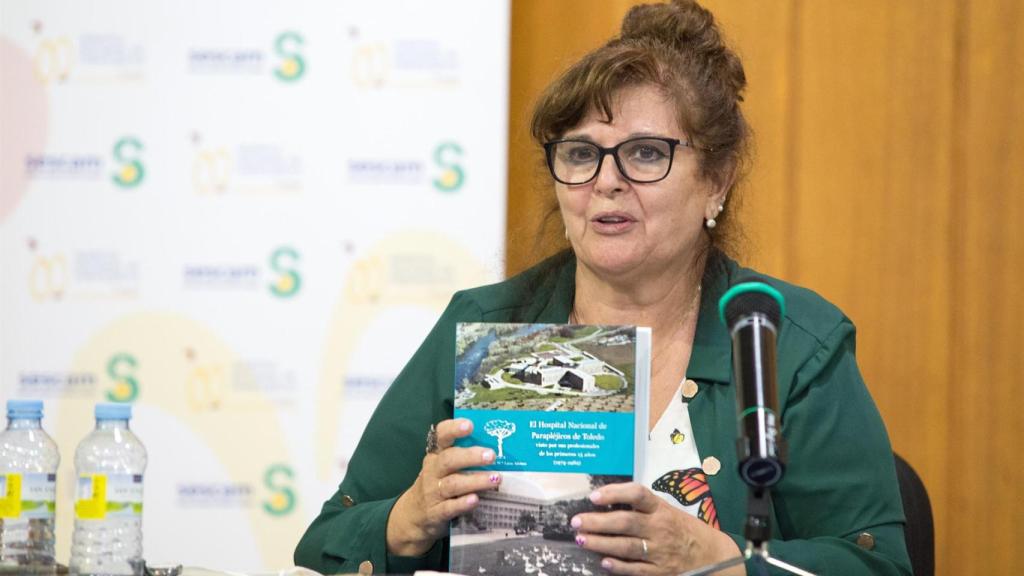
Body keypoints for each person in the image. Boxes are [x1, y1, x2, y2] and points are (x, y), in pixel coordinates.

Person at [295, 1, 912, 574]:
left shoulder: (782, 340)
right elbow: (328, 543)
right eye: (581, 153)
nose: (606, 181)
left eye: (645, 154)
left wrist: (719, 561)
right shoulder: (484, 327)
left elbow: (878, 565)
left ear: (717, 181)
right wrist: (405, 522)